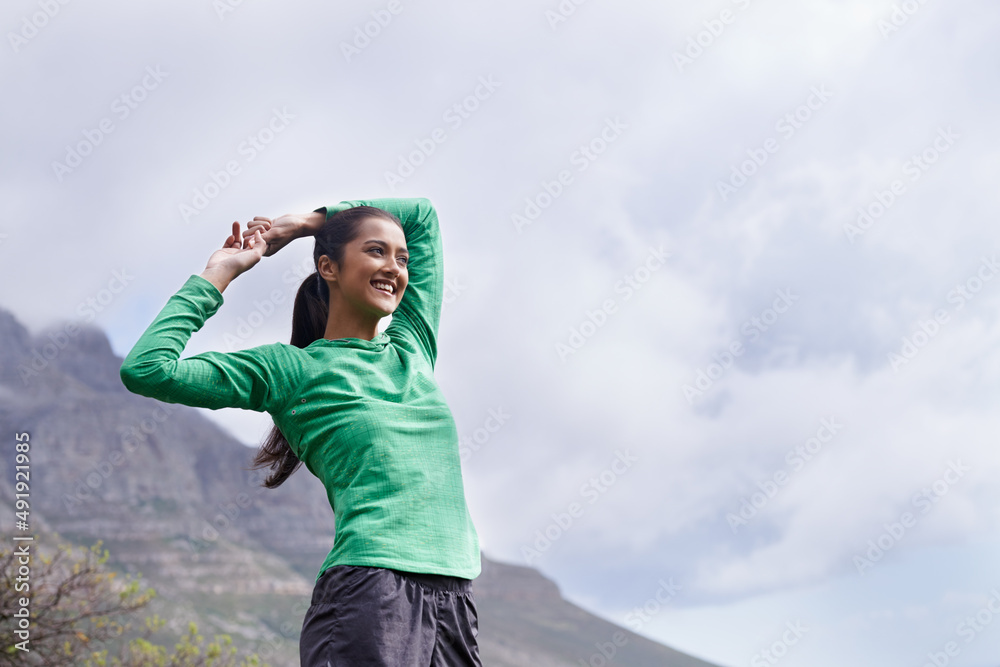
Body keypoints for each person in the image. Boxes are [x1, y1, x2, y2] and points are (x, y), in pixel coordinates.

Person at [119, 197, 483, 666]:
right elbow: (147, 369)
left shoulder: (412, 347)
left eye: (402, 257)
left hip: (454, 596)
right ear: (328, 267)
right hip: (372, 593)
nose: (394, 267)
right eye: (375, 251)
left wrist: (307, 222)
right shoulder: (291, 370)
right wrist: (220, 274)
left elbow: (423, 214)